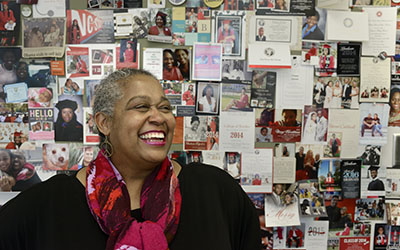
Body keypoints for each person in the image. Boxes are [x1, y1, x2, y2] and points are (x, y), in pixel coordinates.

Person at [0, 68, 260, 249]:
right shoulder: (46, 206)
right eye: (141, 107)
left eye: (165, 107)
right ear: (104, 122)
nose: (158, 117)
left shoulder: (216, 192)